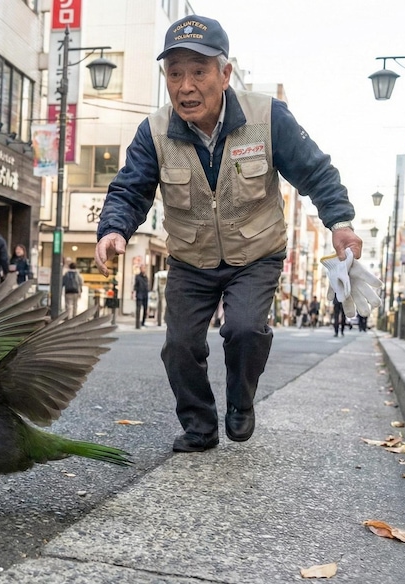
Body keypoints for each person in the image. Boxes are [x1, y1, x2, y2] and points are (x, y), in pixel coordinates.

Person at [93, 15, 363, 453]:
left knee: (243, 329)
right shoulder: (155, 132)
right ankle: (199, 424)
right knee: (179, 346)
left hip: (256, 252)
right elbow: (130, 188)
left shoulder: (267, 117)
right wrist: (114, 229)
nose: (185, 86)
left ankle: (241, 398)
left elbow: (315, 172)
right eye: (174, 73)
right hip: (190, 256)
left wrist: (340, 223)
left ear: (225, 73)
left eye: (198, 71)